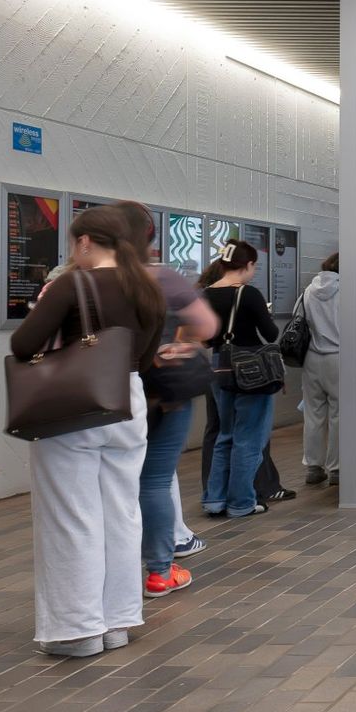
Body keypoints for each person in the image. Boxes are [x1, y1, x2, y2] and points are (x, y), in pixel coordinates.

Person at [10, 206, 165, 656]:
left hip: (76, 404)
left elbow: (23, 345)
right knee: (120, 513)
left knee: (70, 514)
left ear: (84, 243)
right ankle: (117, 623)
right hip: (128, 401)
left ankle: (77, 631)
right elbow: (147, 357)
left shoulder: (73, 283)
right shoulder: (147, 289)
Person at [116, 200, 216, 597]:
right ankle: (159, 572)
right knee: (155, 480)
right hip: (160, 393)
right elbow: (206, 326)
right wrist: (182, 341)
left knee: (110, 484)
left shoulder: (79, 278)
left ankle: (114, 572)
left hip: (103, 394)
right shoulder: (161, 278)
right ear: (150, 238)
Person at [197, 262, 293, 505]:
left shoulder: (204, 295)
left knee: (219, 433)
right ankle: (247, 496)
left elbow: (204, 339)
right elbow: (270, 333)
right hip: (246, 368)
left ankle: (214, 494)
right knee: (250, 435)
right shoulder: (245, 294)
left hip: (216, 368)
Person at [300, 253, 341, 487]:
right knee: (339, 414)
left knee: (313, 414)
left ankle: (313, 467)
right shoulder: (346, 291)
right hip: (338, 356)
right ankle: (336, 468)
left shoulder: (308, 290)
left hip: (312, 357)